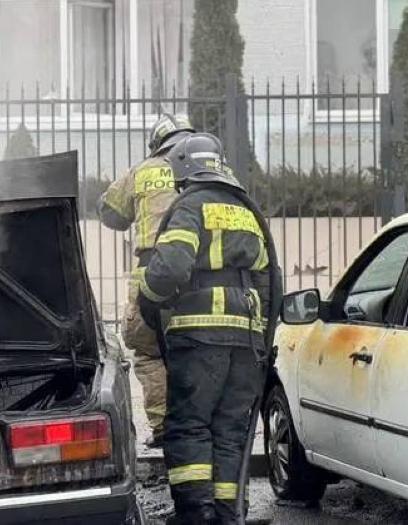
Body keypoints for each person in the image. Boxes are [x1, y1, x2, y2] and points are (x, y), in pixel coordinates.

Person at [137, 133, 280, 525]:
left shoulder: (189, 205)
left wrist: (148, 298)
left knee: (189, 425)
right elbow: (270, 282)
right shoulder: (246, 211)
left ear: (183, 171)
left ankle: (196, 514)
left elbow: (170, 268)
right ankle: (227, 513)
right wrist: (260, 338)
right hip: (247, 341)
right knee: (230, 431)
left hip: (199, 337)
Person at [97, 114, 195, 448]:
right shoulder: (208, 170)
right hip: (199, 278)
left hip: (150, 278)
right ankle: (197, 423)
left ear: (157, 144)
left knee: (149, 351)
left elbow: (110, 212)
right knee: (196, 349)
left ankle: (164, 428)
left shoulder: (143, 170)